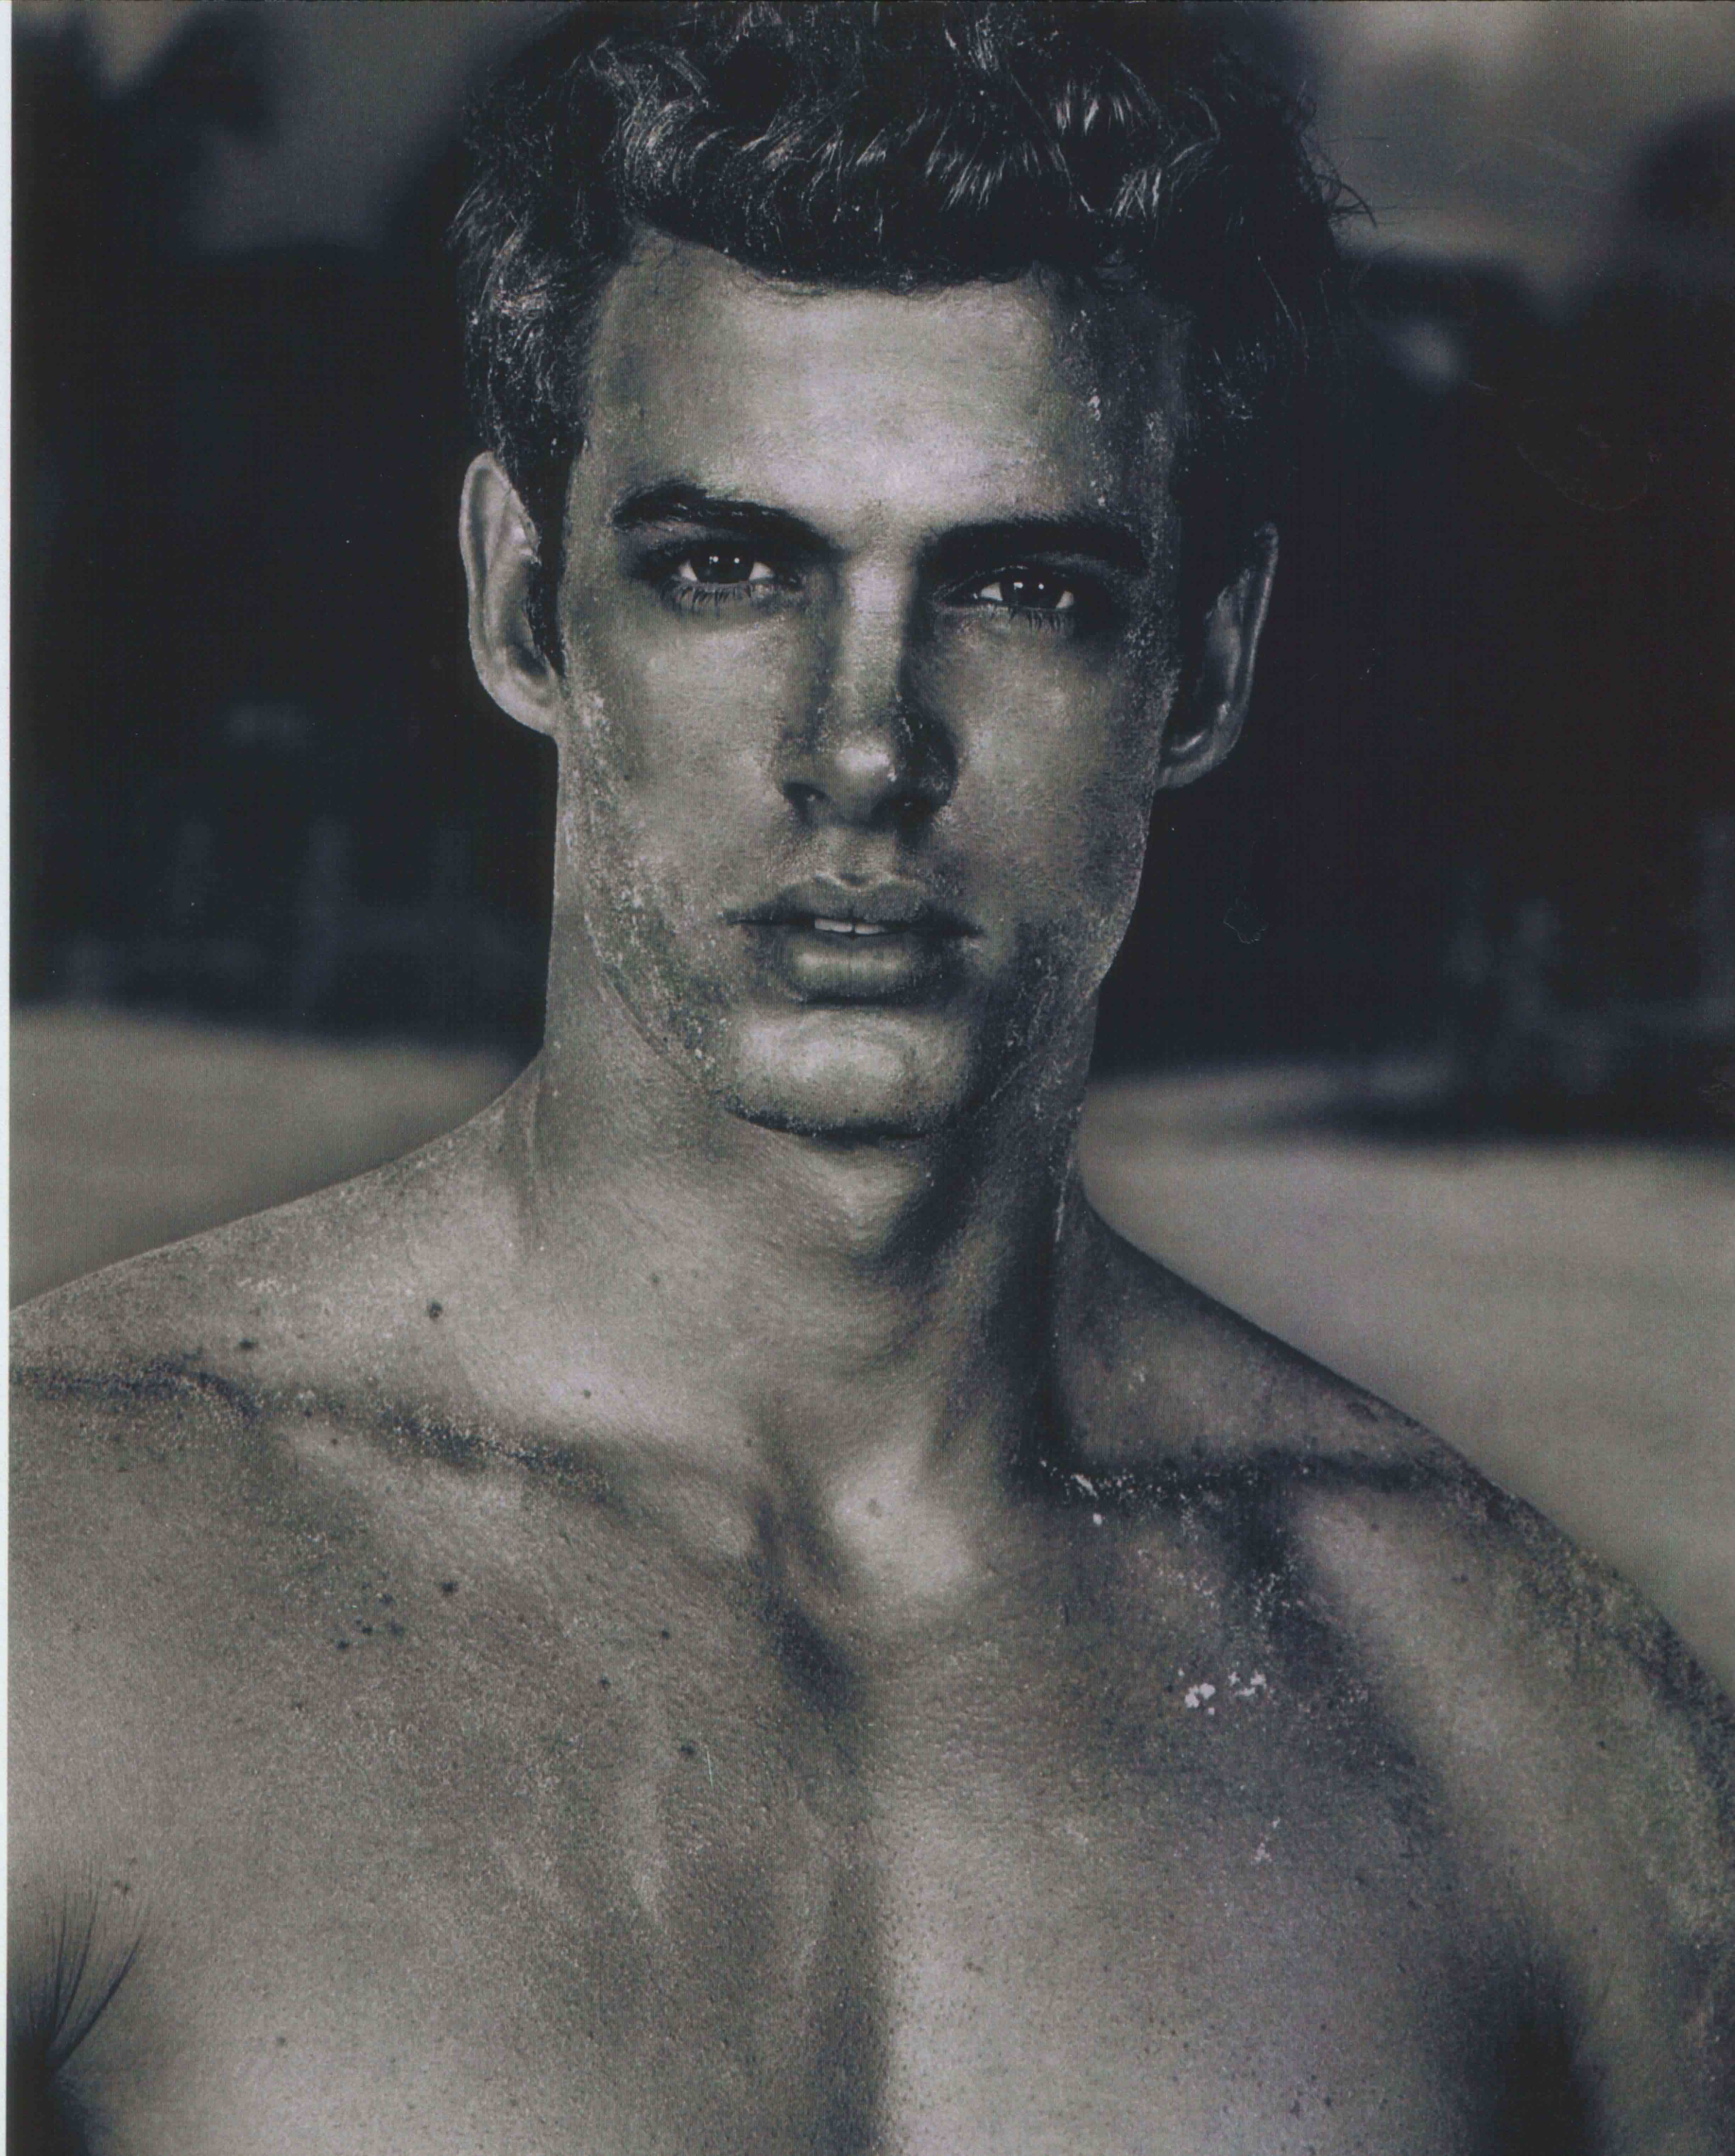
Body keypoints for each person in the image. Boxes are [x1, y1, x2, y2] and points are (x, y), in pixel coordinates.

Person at [11, 7, 1734, 2150]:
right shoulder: (53, 1586)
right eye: (729, 570)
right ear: (525, 606)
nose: (863, 749)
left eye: (1026, 591)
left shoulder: (1526, 1736)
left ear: (1203, 664)